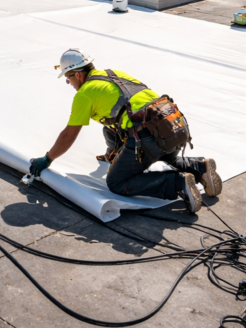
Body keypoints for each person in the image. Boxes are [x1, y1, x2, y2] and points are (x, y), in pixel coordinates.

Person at [27, 49, 220, 214]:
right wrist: (115, 152)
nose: (69, 84)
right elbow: (121, 116)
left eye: (68, 78)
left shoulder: (85, 94)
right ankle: (199, 167)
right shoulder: (114, 74)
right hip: (172, 126)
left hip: (146, 137)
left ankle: (178, 183)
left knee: (117, 183)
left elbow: (68, 135)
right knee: (157, 152)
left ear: (77, 75)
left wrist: (48, 159)